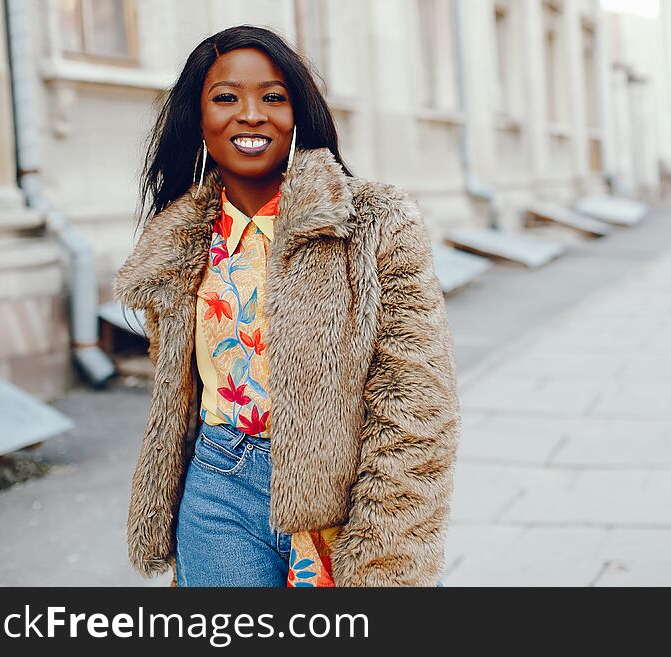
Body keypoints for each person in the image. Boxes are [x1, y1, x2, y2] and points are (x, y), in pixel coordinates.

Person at [112, 25, 460, 587]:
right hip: (218, 488)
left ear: (298, 115)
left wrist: (387, 541)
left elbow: (417, 403)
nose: (251, 114)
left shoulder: (372, 224)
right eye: (226, 97)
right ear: (198, 121)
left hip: (342, 493)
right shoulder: (176, 246)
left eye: (273, 97)